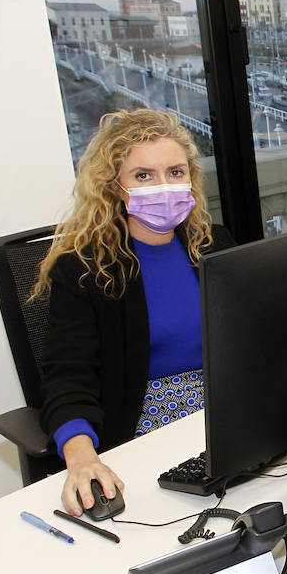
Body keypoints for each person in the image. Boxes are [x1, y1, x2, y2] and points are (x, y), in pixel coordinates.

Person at [34, 109, 234, 516]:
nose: (164, 185)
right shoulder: (85, 269)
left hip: (226, 409)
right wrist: (81, 456)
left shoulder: (212, 245)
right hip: (144, 424)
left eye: (176, 172)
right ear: (114, 188)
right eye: (143, 175)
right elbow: (68, 377)